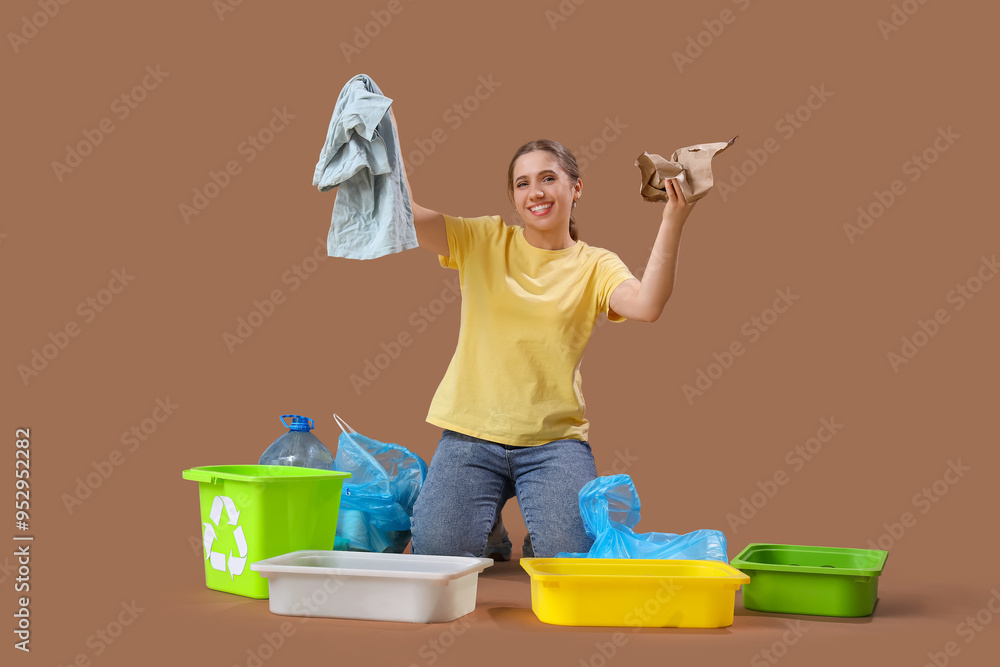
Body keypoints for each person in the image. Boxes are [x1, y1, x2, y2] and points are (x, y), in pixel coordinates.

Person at [396, 116, 698, 560]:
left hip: (553, 444)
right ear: (514, 198)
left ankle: (543, 523)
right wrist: (387, 135)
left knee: (569, 558)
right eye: (522, 183)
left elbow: (648, 304)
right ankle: (491, 528)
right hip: (471, 433)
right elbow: (404, 213)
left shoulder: (596, 264)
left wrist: (674, 216)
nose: (534, 192)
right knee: (439, 552)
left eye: (548, 178)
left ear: (576, 188)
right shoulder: (483, 240)